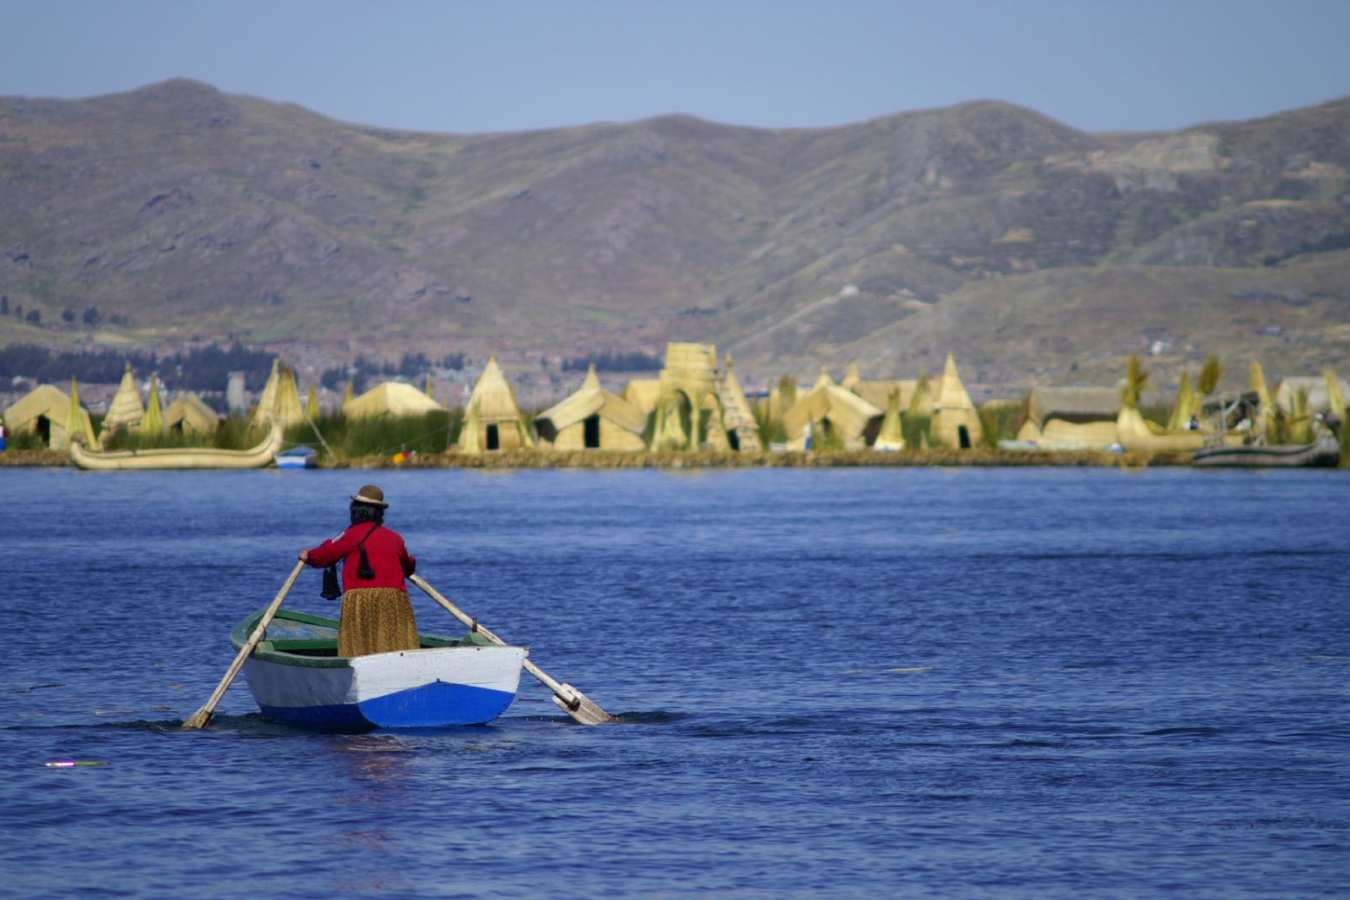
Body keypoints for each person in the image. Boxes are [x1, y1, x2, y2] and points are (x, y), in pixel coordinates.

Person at [299, 484, 419, 658]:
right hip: (394, 601)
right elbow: (408, 567)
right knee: (395, 644)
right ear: (379, 513)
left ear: (355, 510)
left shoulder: (350, 535)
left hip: (360, 601)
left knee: (360, 649)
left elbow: (325, 554)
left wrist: (308, 555)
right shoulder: (396, 538)